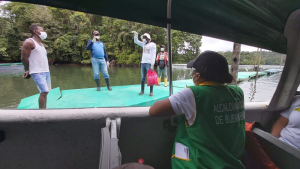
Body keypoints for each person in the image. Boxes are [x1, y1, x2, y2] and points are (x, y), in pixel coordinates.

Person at [149, 51, 245, 168]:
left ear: (198, 75)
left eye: (192, 71)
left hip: (202, 165)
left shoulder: (193, 94)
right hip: (233, 163)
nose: (192, 74)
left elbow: (154, 110)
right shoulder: (238, 92)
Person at [21, 24, 51, 109]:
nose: (44, 32)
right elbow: (24, 57)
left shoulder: (41, 44)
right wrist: (27, 70)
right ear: (35, 31)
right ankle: (42, 113)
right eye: (41, 30)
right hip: (37, 72)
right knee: (44, 91)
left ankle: (44, 109)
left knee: (46, 92)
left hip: (46, 71)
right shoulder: (29, 42)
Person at [132, 31, 156, 96]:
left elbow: (153, 54)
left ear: (148, 38)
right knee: (143, 77)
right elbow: (136, 41)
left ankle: (151, 92)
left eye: (145, 37)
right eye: (144, 37)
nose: (144, 39)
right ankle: (142, 91)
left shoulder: (152, 44)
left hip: (149, 63)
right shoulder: (143, 44)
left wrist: (152, 64)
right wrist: (136, 35)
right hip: (143, 63)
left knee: (150, 77)